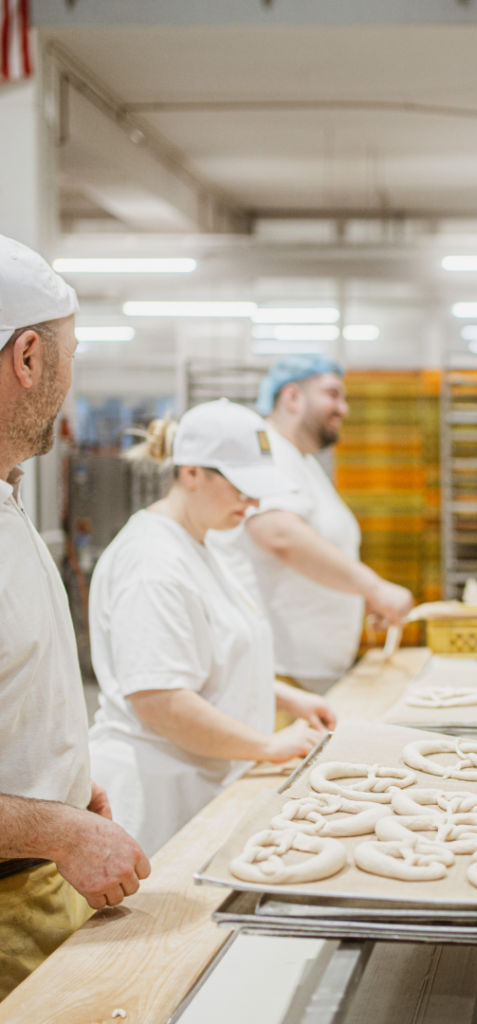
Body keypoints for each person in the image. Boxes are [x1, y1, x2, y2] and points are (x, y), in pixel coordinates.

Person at [0, 235, 149, 1001]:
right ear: (28, 357)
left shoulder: (10, 498)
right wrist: (53, 828)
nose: (69, 379)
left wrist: (59, 778)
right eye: (69, 354)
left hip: (37, 883)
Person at [88, 400, 336, 857]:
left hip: (203, 779)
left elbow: (211, 657)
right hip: (158, 798)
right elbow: (160, 700)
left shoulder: (202, 544)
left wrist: (284, 696)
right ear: (191, 473)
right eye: (242, 488)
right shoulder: (152, 564)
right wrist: (269, 744)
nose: (254, 503)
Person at [209, 356, 414, 695]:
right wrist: (373, 588)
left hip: (307, 671)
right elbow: (279, 534)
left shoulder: (300, 460)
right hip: (279, 674)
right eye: (333, 394)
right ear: (292, 397)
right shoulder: (269, 452)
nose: (343, 408)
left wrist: (359, 594)